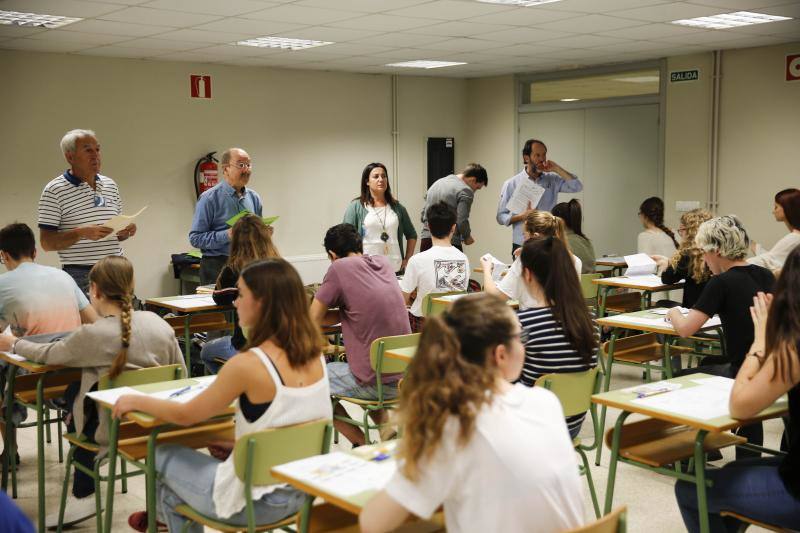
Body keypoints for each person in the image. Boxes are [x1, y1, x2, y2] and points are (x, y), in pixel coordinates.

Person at [116, 259, 332, 533]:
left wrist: (135, 400)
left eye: (240, 294)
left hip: (252, 503)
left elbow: (186, 415)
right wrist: (239, 445)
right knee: (171, 497)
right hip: (303, 493)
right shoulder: (315, 355)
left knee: (160, 452)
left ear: (262, 303)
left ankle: (158, 520)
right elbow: (287, 425)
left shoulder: (248, 364)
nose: (235, 302)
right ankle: (159, 519)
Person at [359, 293, 584, 533]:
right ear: (500, 354)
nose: (524, 344)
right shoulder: (545, 401)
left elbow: (372, 524)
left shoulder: (454, 427)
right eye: (521, 337)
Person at [0, 256, 185, 528]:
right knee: (82, 390)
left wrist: (14, 344)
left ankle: (83, 492)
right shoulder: (160, 324)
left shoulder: (94, 335)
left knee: (80, 397)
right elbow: (181, 374)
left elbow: (49, 354)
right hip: (157, 424)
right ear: (131, 286)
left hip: (110, 430)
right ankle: (159, 509)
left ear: (95, 291)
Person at [674, 248, 800, 532]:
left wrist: (761, 342)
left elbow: (740, 406)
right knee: (732, 474)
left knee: (692, 489)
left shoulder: (792, 350)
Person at [668, 215, 775, 459]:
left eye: (705, 253)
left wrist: (673, 312)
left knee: (681, 379)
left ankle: (699, 452)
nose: (704, 260)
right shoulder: (765, 274)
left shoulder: (721, 283)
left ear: (716, 250)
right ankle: (745, 456)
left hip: (743, 369)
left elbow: (685, 329)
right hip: (768, 366)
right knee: (707, 364)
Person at [0, 223, 98, 466]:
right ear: (35, 252)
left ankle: (10, 450)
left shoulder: (3, 284)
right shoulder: (63, 276)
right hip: (78, 377)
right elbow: (95, 323)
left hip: (35, 381)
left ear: (3, 255)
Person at [309, 224, 411, 446]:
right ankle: (387, 432)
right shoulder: (383, 263)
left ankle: (361, 443)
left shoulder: (339, 268)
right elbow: (354, 310)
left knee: (310, 383)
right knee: (361, 368)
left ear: (332, 255)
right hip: (404, 376)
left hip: (375, 380)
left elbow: (312, 318)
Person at [517, 237, 599, 439]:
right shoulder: (591, 322)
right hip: (571, 427)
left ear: (527, 274)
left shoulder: (523, 324)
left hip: (530, 428)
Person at [38, 129, 136, 293]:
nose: (95, 155)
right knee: (90, 320)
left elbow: (117, 235)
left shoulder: (110, 185)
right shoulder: (54, 190)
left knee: (122, 319)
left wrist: (124, 231)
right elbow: (46, 243)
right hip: (82, 274)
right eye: (88, 150)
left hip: (117, 269)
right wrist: (80, 233)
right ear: (70, 157)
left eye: (97, 149)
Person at [200, 215, 280, 374]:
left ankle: (231, 383)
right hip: (279, 345)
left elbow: (219, 297)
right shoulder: (280, 267)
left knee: (206, 351)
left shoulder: (234, 270)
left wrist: (228, 265)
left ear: (235, 241)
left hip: (246, 346)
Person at [189, 147, 264, 284]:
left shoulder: (254, 198)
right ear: (225, 169)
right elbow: (195, 238)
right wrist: (227, 235)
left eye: (248, 165)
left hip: (249, 264)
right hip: (217, 266)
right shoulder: (209, 199)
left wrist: (263, 233)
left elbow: (257, 233)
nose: (246, 169)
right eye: (241, 165)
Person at [496, 139, 583, 257]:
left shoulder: (552, 180)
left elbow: (577, 186)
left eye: (544, 154)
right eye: (537, 155)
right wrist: (522, 216)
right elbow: (501, 217)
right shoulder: (512, 184)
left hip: (548, 241)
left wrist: (557, 168)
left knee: (548, 275)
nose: (542, 159)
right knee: (525, 275)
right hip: (522, 243)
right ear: (527, 158)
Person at [482, 211, 582, 310]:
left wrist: (487, 268)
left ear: (534, 236)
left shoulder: (525, 261)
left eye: (524, 235)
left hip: (534, 322)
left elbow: (494, 299)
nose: (523, 241)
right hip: (566, 322)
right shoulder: (575, 261)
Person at [399, 202, 469, 333]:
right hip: (454, 326)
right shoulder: (463, 258)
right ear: (453, 228)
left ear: (429, 227)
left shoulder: (417, 260)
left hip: (424, 326)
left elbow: (402, 300)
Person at [343, 162, 417, 273]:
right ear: (367, 181)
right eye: (376, 176)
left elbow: (412, 235)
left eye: (384, 176)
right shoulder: (355, 207)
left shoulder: (398, 208)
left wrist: (407, 259)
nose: (381, 179)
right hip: (366, 271)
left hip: (394, 270)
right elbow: (345, 238)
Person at [652, 208, 713, 308]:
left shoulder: (689, 254)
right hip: (714, 311)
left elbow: (667, 278)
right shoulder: (717, 251)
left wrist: (667, 264)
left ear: (690, 231)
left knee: (660, 303)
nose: (681, 234)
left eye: (682, 229)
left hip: (693, 311)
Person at [419, 163, 488, 252]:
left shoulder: (436, 183)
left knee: (426, 266)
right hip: (449, 242)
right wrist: (467, 236)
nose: (474, 191)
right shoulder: (465, 190)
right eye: (477, 188)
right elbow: (461, 220)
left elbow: (423, 214)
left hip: (427, 239)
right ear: (473, 180)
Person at [748, 188, 800, 273]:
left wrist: (736, 265)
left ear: (787, 208)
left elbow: (769, 260)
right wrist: (749, 242)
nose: (773, 211)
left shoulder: (794, 238)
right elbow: (774, 257)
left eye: (776, 207)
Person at [552, 199, 595, 273]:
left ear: (560, 221)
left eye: (552, 220)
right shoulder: (585, 241)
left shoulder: (561, 243)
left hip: (573, 283)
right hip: (591, 283)